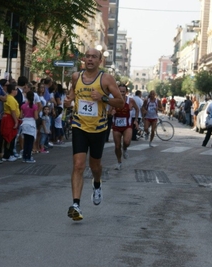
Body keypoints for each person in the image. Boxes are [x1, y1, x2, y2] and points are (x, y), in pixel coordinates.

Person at [64, 48, 124, 221]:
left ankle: (97, 184)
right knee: (78, 165)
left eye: (94, 57)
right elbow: (71, 96)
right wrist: (68, 102)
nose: (90, 59)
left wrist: (103, 98)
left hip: (98, 128)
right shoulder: (76, 77)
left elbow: (120, 102)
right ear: (84, 59)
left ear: (100, 61)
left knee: (95, 166)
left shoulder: (106, 79)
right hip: (79, 125)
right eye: (87, 56)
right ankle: (76, 204)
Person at [112, 84, 139, 170]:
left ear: (126, 92)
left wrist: (136, 120)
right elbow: (108, 112)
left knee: (127, 142)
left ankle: (125, 148)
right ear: (117, 91)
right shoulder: (114, 101)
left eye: (123, 92)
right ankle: (119, 162)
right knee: (117, 146)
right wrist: (111, 113)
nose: (122, 93)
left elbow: (137, 109)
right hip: (116, 126)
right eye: (120, 91)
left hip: (127, 125)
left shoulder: (130, 100)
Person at [0, 83, 20, 162]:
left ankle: (9, 153)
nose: (16, 91)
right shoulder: (10, 98)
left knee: (12, 136)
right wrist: (16, 122)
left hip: (10, 118)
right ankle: (7, 155)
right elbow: (13, 111)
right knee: (9, 136)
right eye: (15, 89)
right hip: (10, 118)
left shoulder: (11, 98)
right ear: (12, 90)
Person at [20, 91, 38, 163]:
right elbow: (36, 117)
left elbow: (21, 116)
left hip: (24, 123)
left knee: (26, 141)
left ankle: (24, 156)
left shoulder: (23, 106)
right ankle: (29, 157)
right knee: (30, 142)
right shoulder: (34, 106)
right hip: (31, 123)